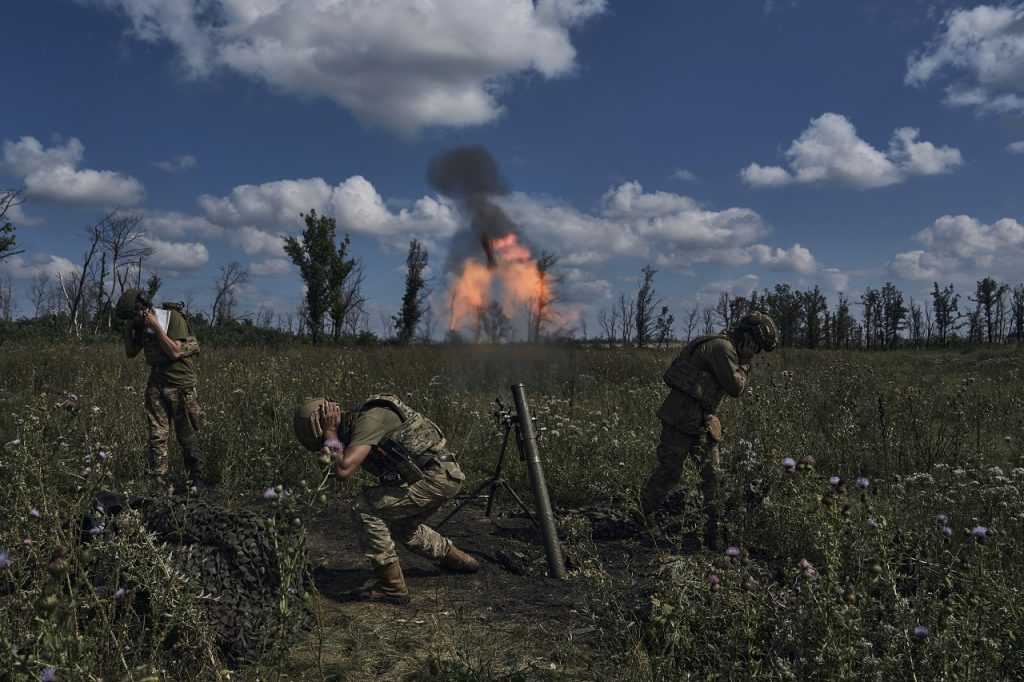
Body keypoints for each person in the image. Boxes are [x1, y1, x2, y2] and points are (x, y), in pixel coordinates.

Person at [293, 394, 480, 605]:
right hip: (436, 476)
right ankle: (459, 560)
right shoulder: (360, 426)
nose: (326, 447)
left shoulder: (367, 421)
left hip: (436, 477)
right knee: (403, 529)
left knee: (364, 506)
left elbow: (343, 470)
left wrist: (329, 432)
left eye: (323, 444)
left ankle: (392, 586)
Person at [639, 311, 778, 549]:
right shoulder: (722, 348)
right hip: (681, 419)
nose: (757, 353)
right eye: (758, 347)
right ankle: (641, 518)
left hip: (701, 420)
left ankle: (712, 529)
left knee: (712, 474)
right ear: (748, 337)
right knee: (670, 471)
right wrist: (744, 363)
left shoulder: (727, 348)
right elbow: (735, 388)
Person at [116, 289, 205, 492]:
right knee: (157, 435)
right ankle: (157, 483)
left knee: (188, 435)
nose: (134, 320)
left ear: (144, 308)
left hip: (181, 385)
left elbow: (175, 351)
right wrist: (127, 330)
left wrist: (156, 327)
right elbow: (130, 353)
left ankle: (196, 479)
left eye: (135, 316)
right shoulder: (139, 326)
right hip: (157, 385)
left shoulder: (171, 318)